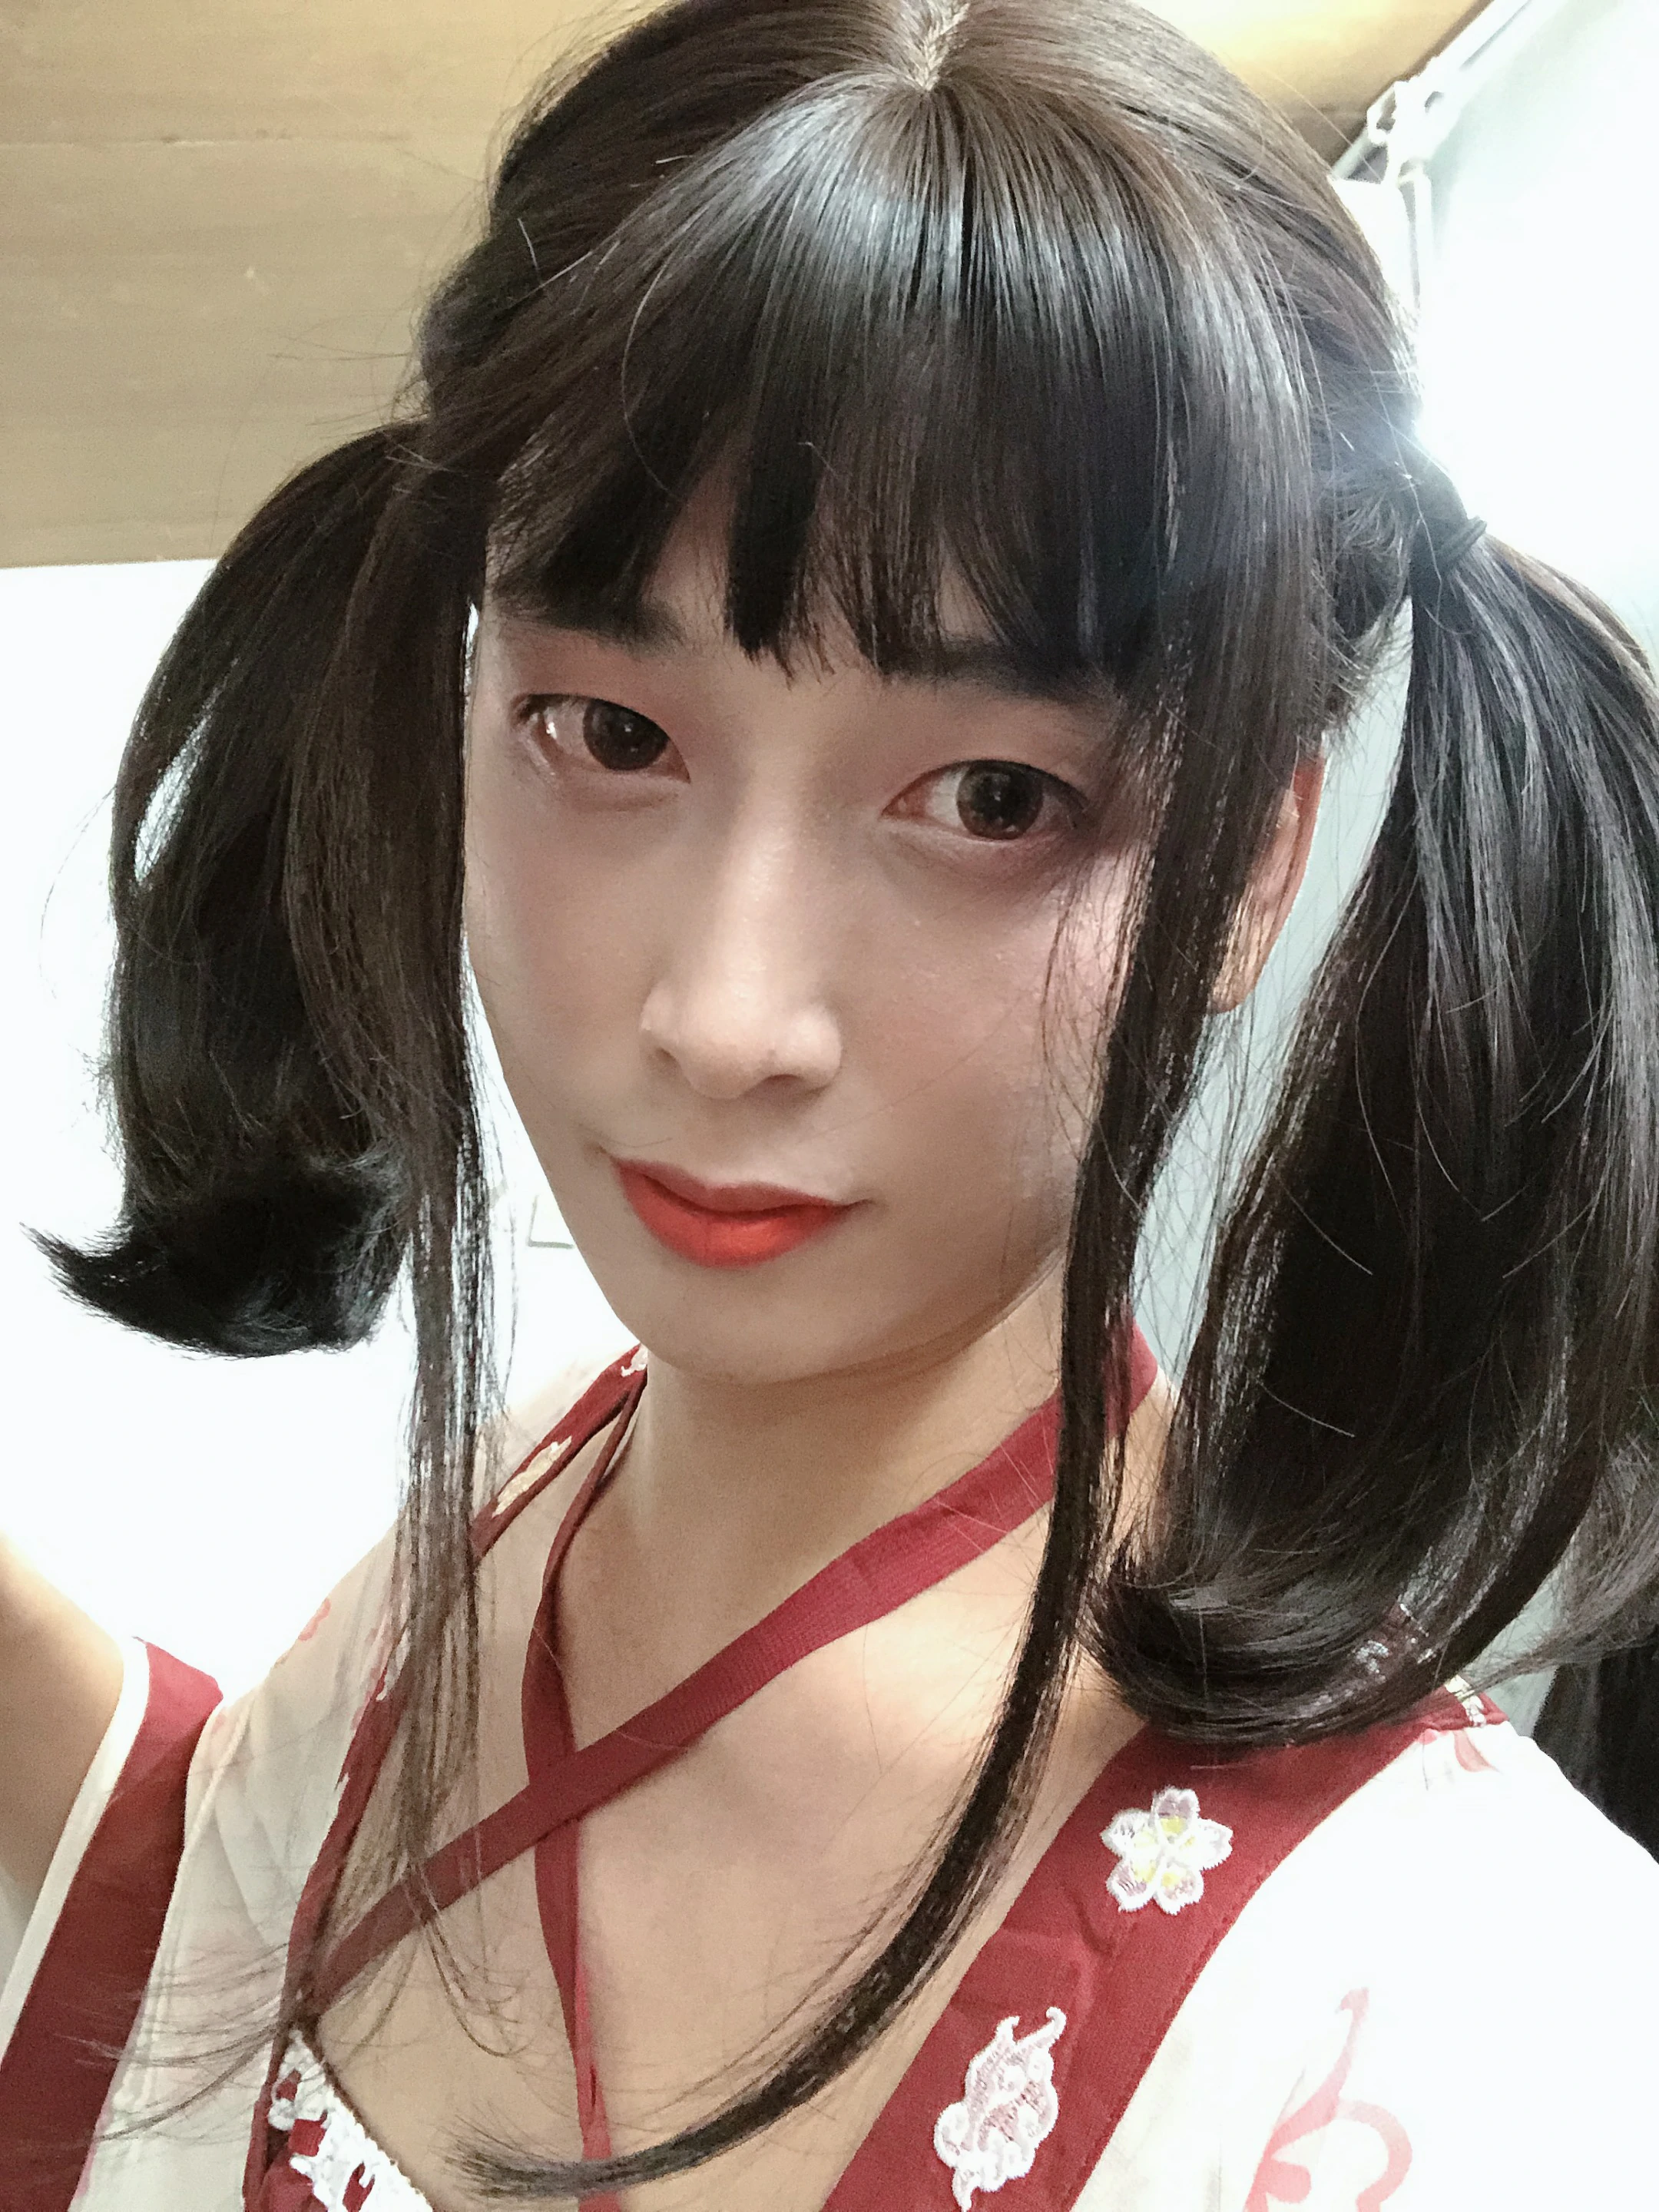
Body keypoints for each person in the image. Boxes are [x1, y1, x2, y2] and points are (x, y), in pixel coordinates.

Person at [4, 1, 1659, 2205]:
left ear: (1252, 865)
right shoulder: (536, 1500)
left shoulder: (1490, 2029)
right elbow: (232, 1936)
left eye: (993, 799)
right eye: (610, 735)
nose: (723, 1018)